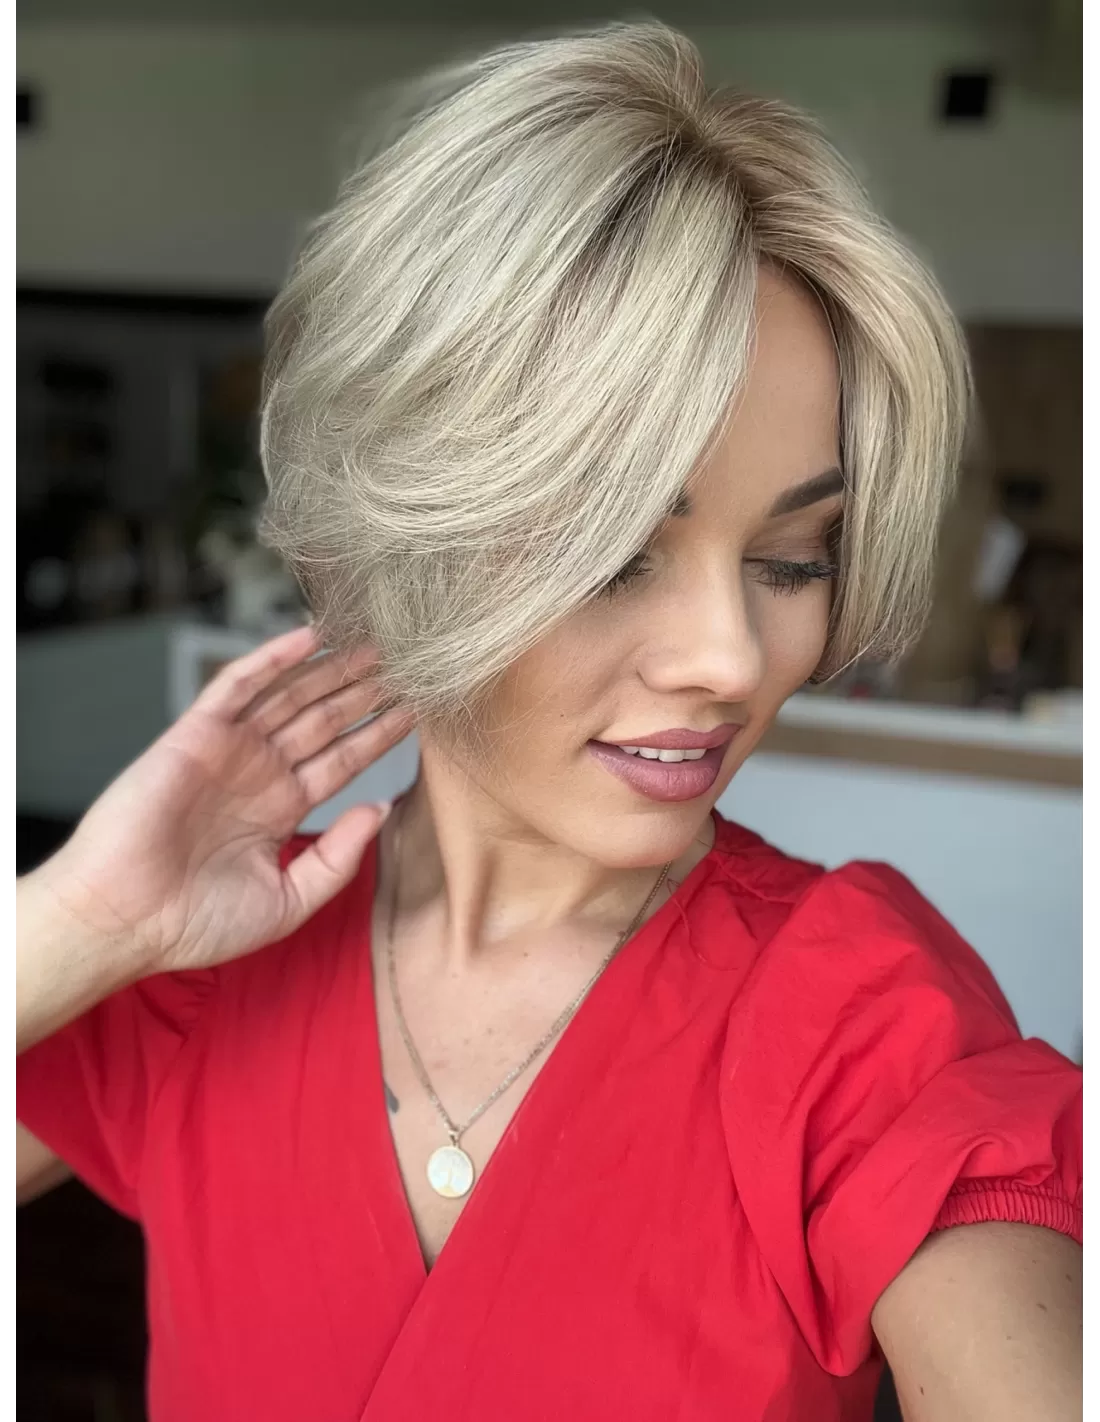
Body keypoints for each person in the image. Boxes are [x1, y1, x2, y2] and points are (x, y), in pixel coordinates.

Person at [16, 21, 1081, 1422]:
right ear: (402, 533)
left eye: (791, 559)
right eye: (615, 551)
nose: (730, 658)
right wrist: (71, 927)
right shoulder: (199, 971)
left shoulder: (857, 1022)